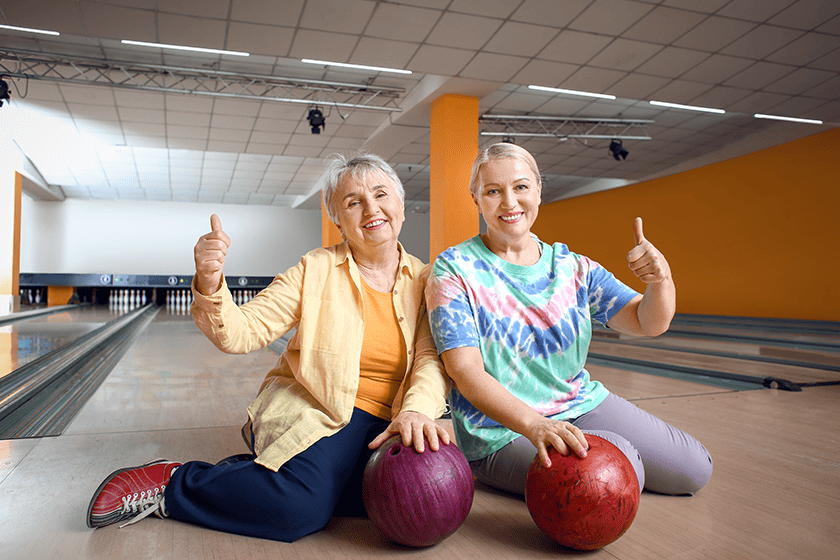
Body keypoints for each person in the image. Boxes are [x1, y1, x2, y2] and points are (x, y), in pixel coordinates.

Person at [86, 153, 450, 542]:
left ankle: (263, 474)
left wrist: (416, 412)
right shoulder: (314, 271)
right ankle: (174, 482)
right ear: (337, 220)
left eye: (381, 195)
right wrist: (210, 283)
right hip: (319, 411)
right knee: (300, 510)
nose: (371, 209)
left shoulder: (428, 279)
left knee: (419, 498)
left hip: (393, 418)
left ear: (400, 205)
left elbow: (431, 358)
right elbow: (241, 332)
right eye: (353, 202)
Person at [425, 142, 712, 498]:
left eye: (520, 187)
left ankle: (610, 452)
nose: (509, 202)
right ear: (476, 199)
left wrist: (660, 281)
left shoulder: (572, 267)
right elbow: (465, 371)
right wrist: (535, 425)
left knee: (693, 469)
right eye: (493, 191)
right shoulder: (454, 269)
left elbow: (647, 321)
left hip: (578, 404)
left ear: (538, 191)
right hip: (502, 432)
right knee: (611, 475)